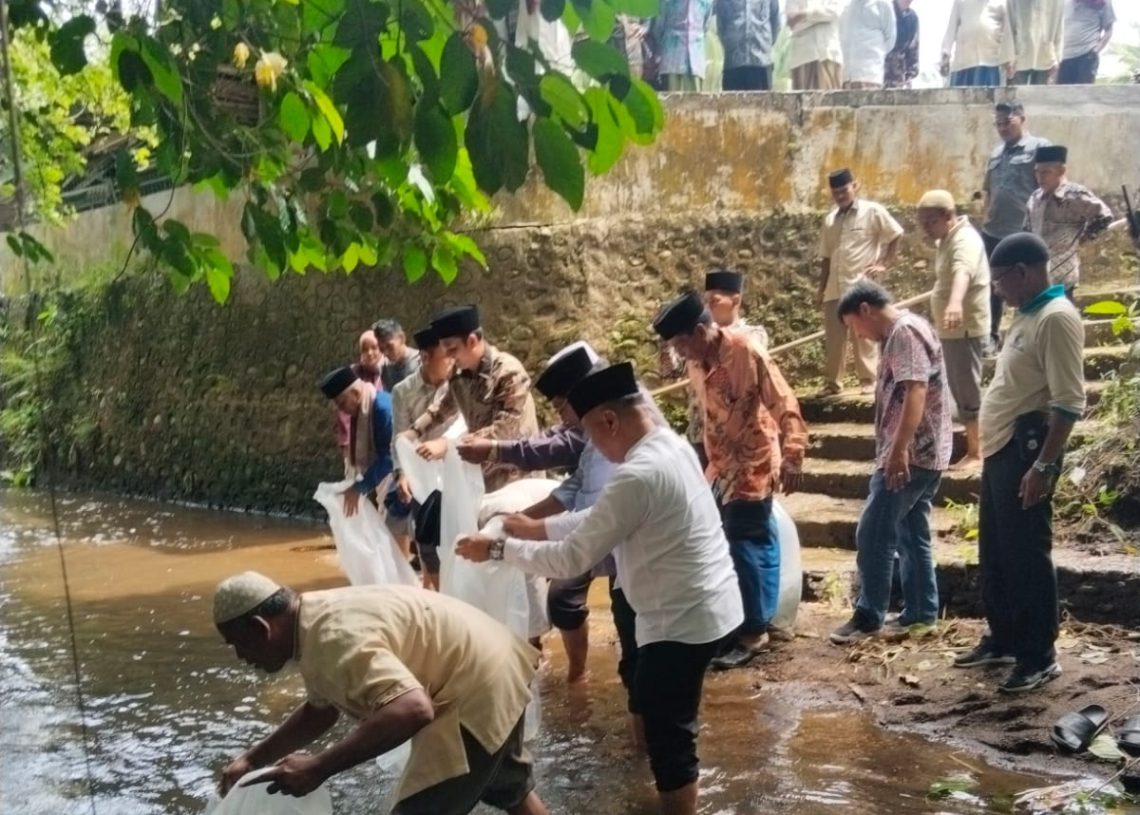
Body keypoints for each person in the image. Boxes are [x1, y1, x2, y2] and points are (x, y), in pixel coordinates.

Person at [456, 362, 744, 815]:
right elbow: (600, 518)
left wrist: (497, 551)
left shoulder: (637, 473)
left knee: (671, 737)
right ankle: (659, 795)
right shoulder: (669, 447)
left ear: (610, 420)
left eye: (591, 434)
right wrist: (534, 528)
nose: (594, 448)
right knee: (653, 703)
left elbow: (572, 558)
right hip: (704, 605)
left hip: (683, 618)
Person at [213, 573, 547, 815]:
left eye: (238, 645)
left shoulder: (332, 640)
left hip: (475, 688)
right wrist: (254, 758)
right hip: (494, 660)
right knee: (508, 788)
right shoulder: (312, 620)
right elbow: (321, 711)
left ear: (261, 628)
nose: (241, 658)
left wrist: (318, 767)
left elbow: (413, 709)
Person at [954, 233, 1085, 693]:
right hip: (1000, 449)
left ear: (1024, 272)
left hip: (1027, 449)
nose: (997, 291)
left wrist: (1044, 467)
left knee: (1027, 554)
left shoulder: (1055, 319)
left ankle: (1038, 655)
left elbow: (1068, 403)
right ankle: (1004, 637)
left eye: (1000, 281)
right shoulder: (1026, 317)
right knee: (996, 552)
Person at [653, 291, 807, 669]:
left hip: (753, 459)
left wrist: (794, 453)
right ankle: (746, 621)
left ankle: (755, 632)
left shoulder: (744, 350)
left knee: (745, 542)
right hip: (721, 464)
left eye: (682, 342)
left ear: (702, 330)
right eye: (674, 345)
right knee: (740, 540)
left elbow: (783, 399)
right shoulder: (696, 361)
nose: (680, 352)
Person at [458, 343, 618, 686]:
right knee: (562, 600)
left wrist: (511, 540)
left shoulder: (615, 435)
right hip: (596, 533)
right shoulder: (589, 430)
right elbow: (574, 485)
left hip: (628, 549)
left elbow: (588, 526)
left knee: (638, 635)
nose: (559, 415)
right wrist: (522, 521)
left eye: (561, 405)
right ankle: (579, 678)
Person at [827, 282, 952, 644]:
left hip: (912, 455)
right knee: (911, 532)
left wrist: (899, 450)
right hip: (924, 453)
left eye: (854, 326)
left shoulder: (904, 332)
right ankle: (921, 614)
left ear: (866, 310)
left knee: (874, 531)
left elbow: (915, 389)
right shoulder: (907, 329)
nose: (858, 335)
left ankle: (868, 616)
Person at [405, 305, 540, 492]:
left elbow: (505, 430)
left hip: (517, 477)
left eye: (452, 349)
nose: (449, 358)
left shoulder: (508, 373)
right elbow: (446, 405)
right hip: (482, 475)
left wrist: (448, 446)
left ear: (472, 341)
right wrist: (415, 431)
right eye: (445, 352)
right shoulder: (459, 373)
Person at [659, 269, 771, 468]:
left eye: (714, 301)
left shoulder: (753, 335)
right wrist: (669, 335)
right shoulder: (694, 341)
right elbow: (670, 371)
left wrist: (709, 334)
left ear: (735, 300)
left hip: (738, 437)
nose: (708, 307)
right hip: (701, 433)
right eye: (706, 302)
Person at [917, 189, 991, 469]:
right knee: (955, 388)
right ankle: (966, 447)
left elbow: (963, 272)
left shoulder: (965, 240)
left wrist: (955, 303)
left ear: (948, 216)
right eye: (922, 223)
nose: (925, 229)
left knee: (966, 387)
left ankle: (976, 452)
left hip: (964, 328)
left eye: (930, 222)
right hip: (951, 330)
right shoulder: (945, 239)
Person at [815, 168, 904, 395]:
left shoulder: (872, 212)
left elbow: (895, 234)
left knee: (863, 335)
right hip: (834, 288)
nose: (841, 196)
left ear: (856, 186)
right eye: (836, 192)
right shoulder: (830, 219)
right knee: (834, 338)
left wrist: (884, 263)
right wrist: (821, 287)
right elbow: (826, 256)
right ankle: (833, 383)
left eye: (844, 190)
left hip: (860, 285)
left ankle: (868, 380)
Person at [391, 326, 456, 589]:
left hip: (455, 471)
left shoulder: (458, 384)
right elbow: (399, 437)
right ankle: (433, 597)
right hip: (422, 477)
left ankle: (444, 595)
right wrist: (401, 473)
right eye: (446, 356)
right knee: (427, 543)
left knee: (453, 540)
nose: (452, 361)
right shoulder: (402, 391)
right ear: (427, 358)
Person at [981, 101, 1050, 348]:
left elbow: (1048, 187)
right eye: (998, 124)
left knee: (1026, 284)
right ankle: (991, 335)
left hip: (1023, 231)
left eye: (1007, 122)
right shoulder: (996, 153)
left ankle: (1031, 335)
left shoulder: (1039, 147)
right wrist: (985, 215)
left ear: (1022, 118)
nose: (1002, 128)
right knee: (993, 285)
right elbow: (988, 188)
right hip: (994, 230)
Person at [1026, 145, 1114, 298]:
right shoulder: (1035, 198)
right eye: (1037, 172)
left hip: (1062, 276)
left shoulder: (1075, 196)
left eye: (1046, 172)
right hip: (1037, 276)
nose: (1040, 177)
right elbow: (1026, 230)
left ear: (1061, 171)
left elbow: (1104, 216)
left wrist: (1085, 236)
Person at [319, 366, 394, 518]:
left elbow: (389, 458)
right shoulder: (364, 409)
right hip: (388, 478)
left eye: (342, 403)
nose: (342, 410)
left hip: (403, 477)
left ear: (356, 394)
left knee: (394, 529)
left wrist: (360, 487)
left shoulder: (382, 409)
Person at [335, 331, 383, 475]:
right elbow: (343, 413)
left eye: (374, 347)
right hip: (356, 443)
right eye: (364, 349)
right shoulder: (353, 375)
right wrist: (346, 444)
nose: (369, 353)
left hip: (381, 442)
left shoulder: (388, 371)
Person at [940, 0, 1016, 87]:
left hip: (990, 64)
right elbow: (951, 28)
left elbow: (1007, 32)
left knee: (987, 99)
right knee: (960, 99)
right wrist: (945, 55)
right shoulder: (961, 2)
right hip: (963, 64)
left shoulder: (1001, 3)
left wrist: (1009, 60)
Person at [649, 0, 714, 92]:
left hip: (695, 59)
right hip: (672, 58)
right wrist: (658, 53)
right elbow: (658, 27)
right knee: (671, 100)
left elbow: (705, 26)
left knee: (696, 102)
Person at [716, 0, 781, 91]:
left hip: (762, 64)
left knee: (762, 104)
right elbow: (721, 25)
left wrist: (764, 46)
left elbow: (776, 23)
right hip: (733, 64)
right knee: (732, 104)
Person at [787, 0, 845, 91]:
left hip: (829, 53)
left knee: (832, 102)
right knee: (803, 103)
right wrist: (821, 17)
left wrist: (804, 14)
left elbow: (834, 12)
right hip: (803, 56)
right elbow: (792, 20)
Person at [840, 0, 897, 90]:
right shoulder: (846, 6)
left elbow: (890, 40)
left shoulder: (882, 4)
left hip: (870, 76)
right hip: (847, 77)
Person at [1008, 0, 1065, 85]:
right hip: (1019, 56)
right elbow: (1009, 24)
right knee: (1017, 96)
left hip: (1045, 56)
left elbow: (1059, 27)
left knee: (1040, 96)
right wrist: (1008, 57)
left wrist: (1057, 58)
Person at [1059, 0, 1115, 85]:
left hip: (1086, 56)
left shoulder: (1104, 2)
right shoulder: (1065, 2)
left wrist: (1096, 50)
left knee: (1083, 94)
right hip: (1064, 56)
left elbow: (1109, 30)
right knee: (1061, 95)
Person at [373, 318, 421, 394]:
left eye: (389, 346)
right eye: (381, 349)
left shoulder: (421, 361)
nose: (386, 353)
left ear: (402, 338)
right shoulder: (384, 367)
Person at [884, 0, 920, 89]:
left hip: (899, 80)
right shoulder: (885, 10)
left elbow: (913, 50)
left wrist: (909, 76)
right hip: (879, 76)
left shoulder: (912, 18)